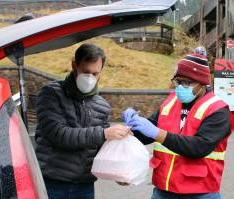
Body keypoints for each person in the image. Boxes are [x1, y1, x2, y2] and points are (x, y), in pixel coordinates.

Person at [122, 53, 232, 199]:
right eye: (178, 81)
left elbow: (198, 147)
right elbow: (147, 133)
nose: (181, 87)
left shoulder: (218, 110)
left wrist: (157, 133)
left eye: (187, 82)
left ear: (202, 83)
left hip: (200, 191)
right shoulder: (171, 101)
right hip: (164, 189)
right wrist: (131, 129)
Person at [35, 43, 131, 199]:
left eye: (95, 74)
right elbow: (58, 134)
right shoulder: (51, 94)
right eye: (86, 72)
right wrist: (103, 133)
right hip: (52, 183)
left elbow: (102, 149)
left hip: (84, 186)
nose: (90, 78)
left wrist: (118, 171)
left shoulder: (102, 106)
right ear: (74, 65)